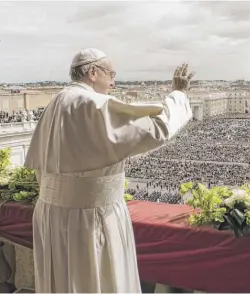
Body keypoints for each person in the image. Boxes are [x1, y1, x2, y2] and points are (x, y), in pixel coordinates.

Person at [24, 48, 195, 293]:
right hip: (91, 217)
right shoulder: (91, 104)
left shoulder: (56, 102)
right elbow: (156, 128)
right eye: (111, 74)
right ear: (93, 72)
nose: (114, 82)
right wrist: (178, 93)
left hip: (51, 214)